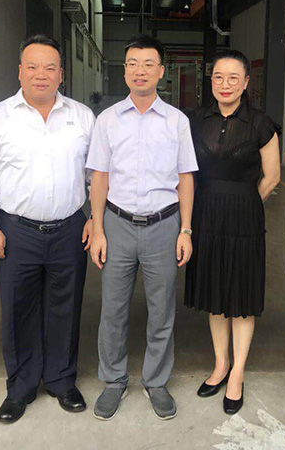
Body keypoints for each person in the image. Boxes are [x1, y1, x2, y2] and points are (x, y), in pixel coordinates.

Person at [0, 35, 95, 424]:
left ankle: (60, 379)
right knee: (18, 307)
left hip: (70, 228)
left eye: (50, 67)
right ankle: (20, 386)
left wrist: (96, 218)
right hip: (15, 230)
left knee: (65, 307)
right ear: (20, 71)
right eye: (33, 67)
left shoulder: (82, 117)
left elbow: (96, 174)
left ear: (61, 74)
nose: (42, 75)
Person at [86, 34, 198, 421]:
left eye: (148, 64)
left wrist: (185, 230)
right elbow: (99, 177)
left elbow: (186, 178)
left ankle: (156, 381)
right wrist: (98, 229)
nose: (140, 71)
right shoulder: (108, 120)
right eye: (133, 63)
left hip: (163, 226)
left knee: (161, 310)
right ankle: (114, 380)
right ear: (124, 71)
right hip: (116, 224)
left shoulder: (177, 121)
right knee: (113, 310)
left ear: (161, 71)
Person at [185, 50, 281, 415]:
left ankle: (237, 372)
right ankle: (220, 364)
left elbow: (272, 176)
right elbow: (187, 171)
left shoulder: (261, 123)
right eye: (218, 77)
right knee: (215, 293)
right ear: (211, 81)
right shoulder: (196, 120)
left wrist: (244, 203)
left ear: (245, 83)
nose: (225, 84)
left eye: (233, 78)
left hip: (244, 218)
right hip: (206, 214)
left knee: (240, 295)